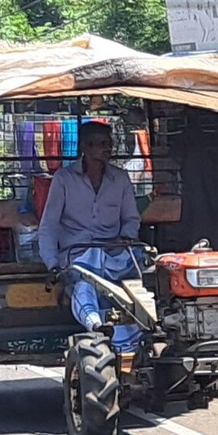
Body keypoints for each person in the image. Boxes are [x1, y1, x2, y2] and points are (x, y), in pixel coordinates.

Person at [37, 120, 141, 333]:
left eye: (108, 143)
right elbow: (49, 225)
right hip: (76, 256)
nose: (107, 149)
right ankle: (96, 325)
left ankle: (136, 335)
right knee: (85, 283)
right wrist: (52, 265)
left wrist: (125, 238)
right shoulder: (64, 179)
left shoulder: (120, 179)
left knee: (135, 281)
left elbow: (131, 219)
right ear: (85, 147)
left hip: (114, 256)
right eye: (100, 143)